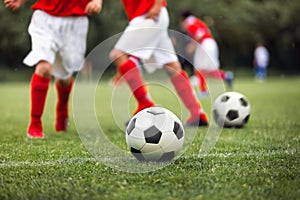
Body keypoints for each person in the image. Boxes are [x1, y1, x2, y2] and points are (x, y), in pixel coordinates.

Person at [4, 0, 102, 138]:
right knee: (44, 68)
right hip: (45, 19)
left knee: (64, 78)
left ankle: (62, 110)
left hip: (75, 23)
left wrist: (97, 1)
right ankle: (35, 123)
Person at [109, 0, 209, 126]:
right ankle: (197, 114)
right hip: (153, 14)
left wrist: (157, 4)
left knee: (118, 54)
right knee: (172, 66)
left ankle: (145, 104)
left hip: (149, 13)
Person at [180, 11, 233, 98]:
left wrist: (192, 46)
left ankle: (203, 92)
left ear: (182, 18)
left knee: (200, 68)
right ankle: (226, 76)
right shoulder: (197, 21)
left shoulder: (190, 22)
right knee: (208, 70)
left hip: (204, 44)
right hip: (210, 43)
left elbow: (199, 34)